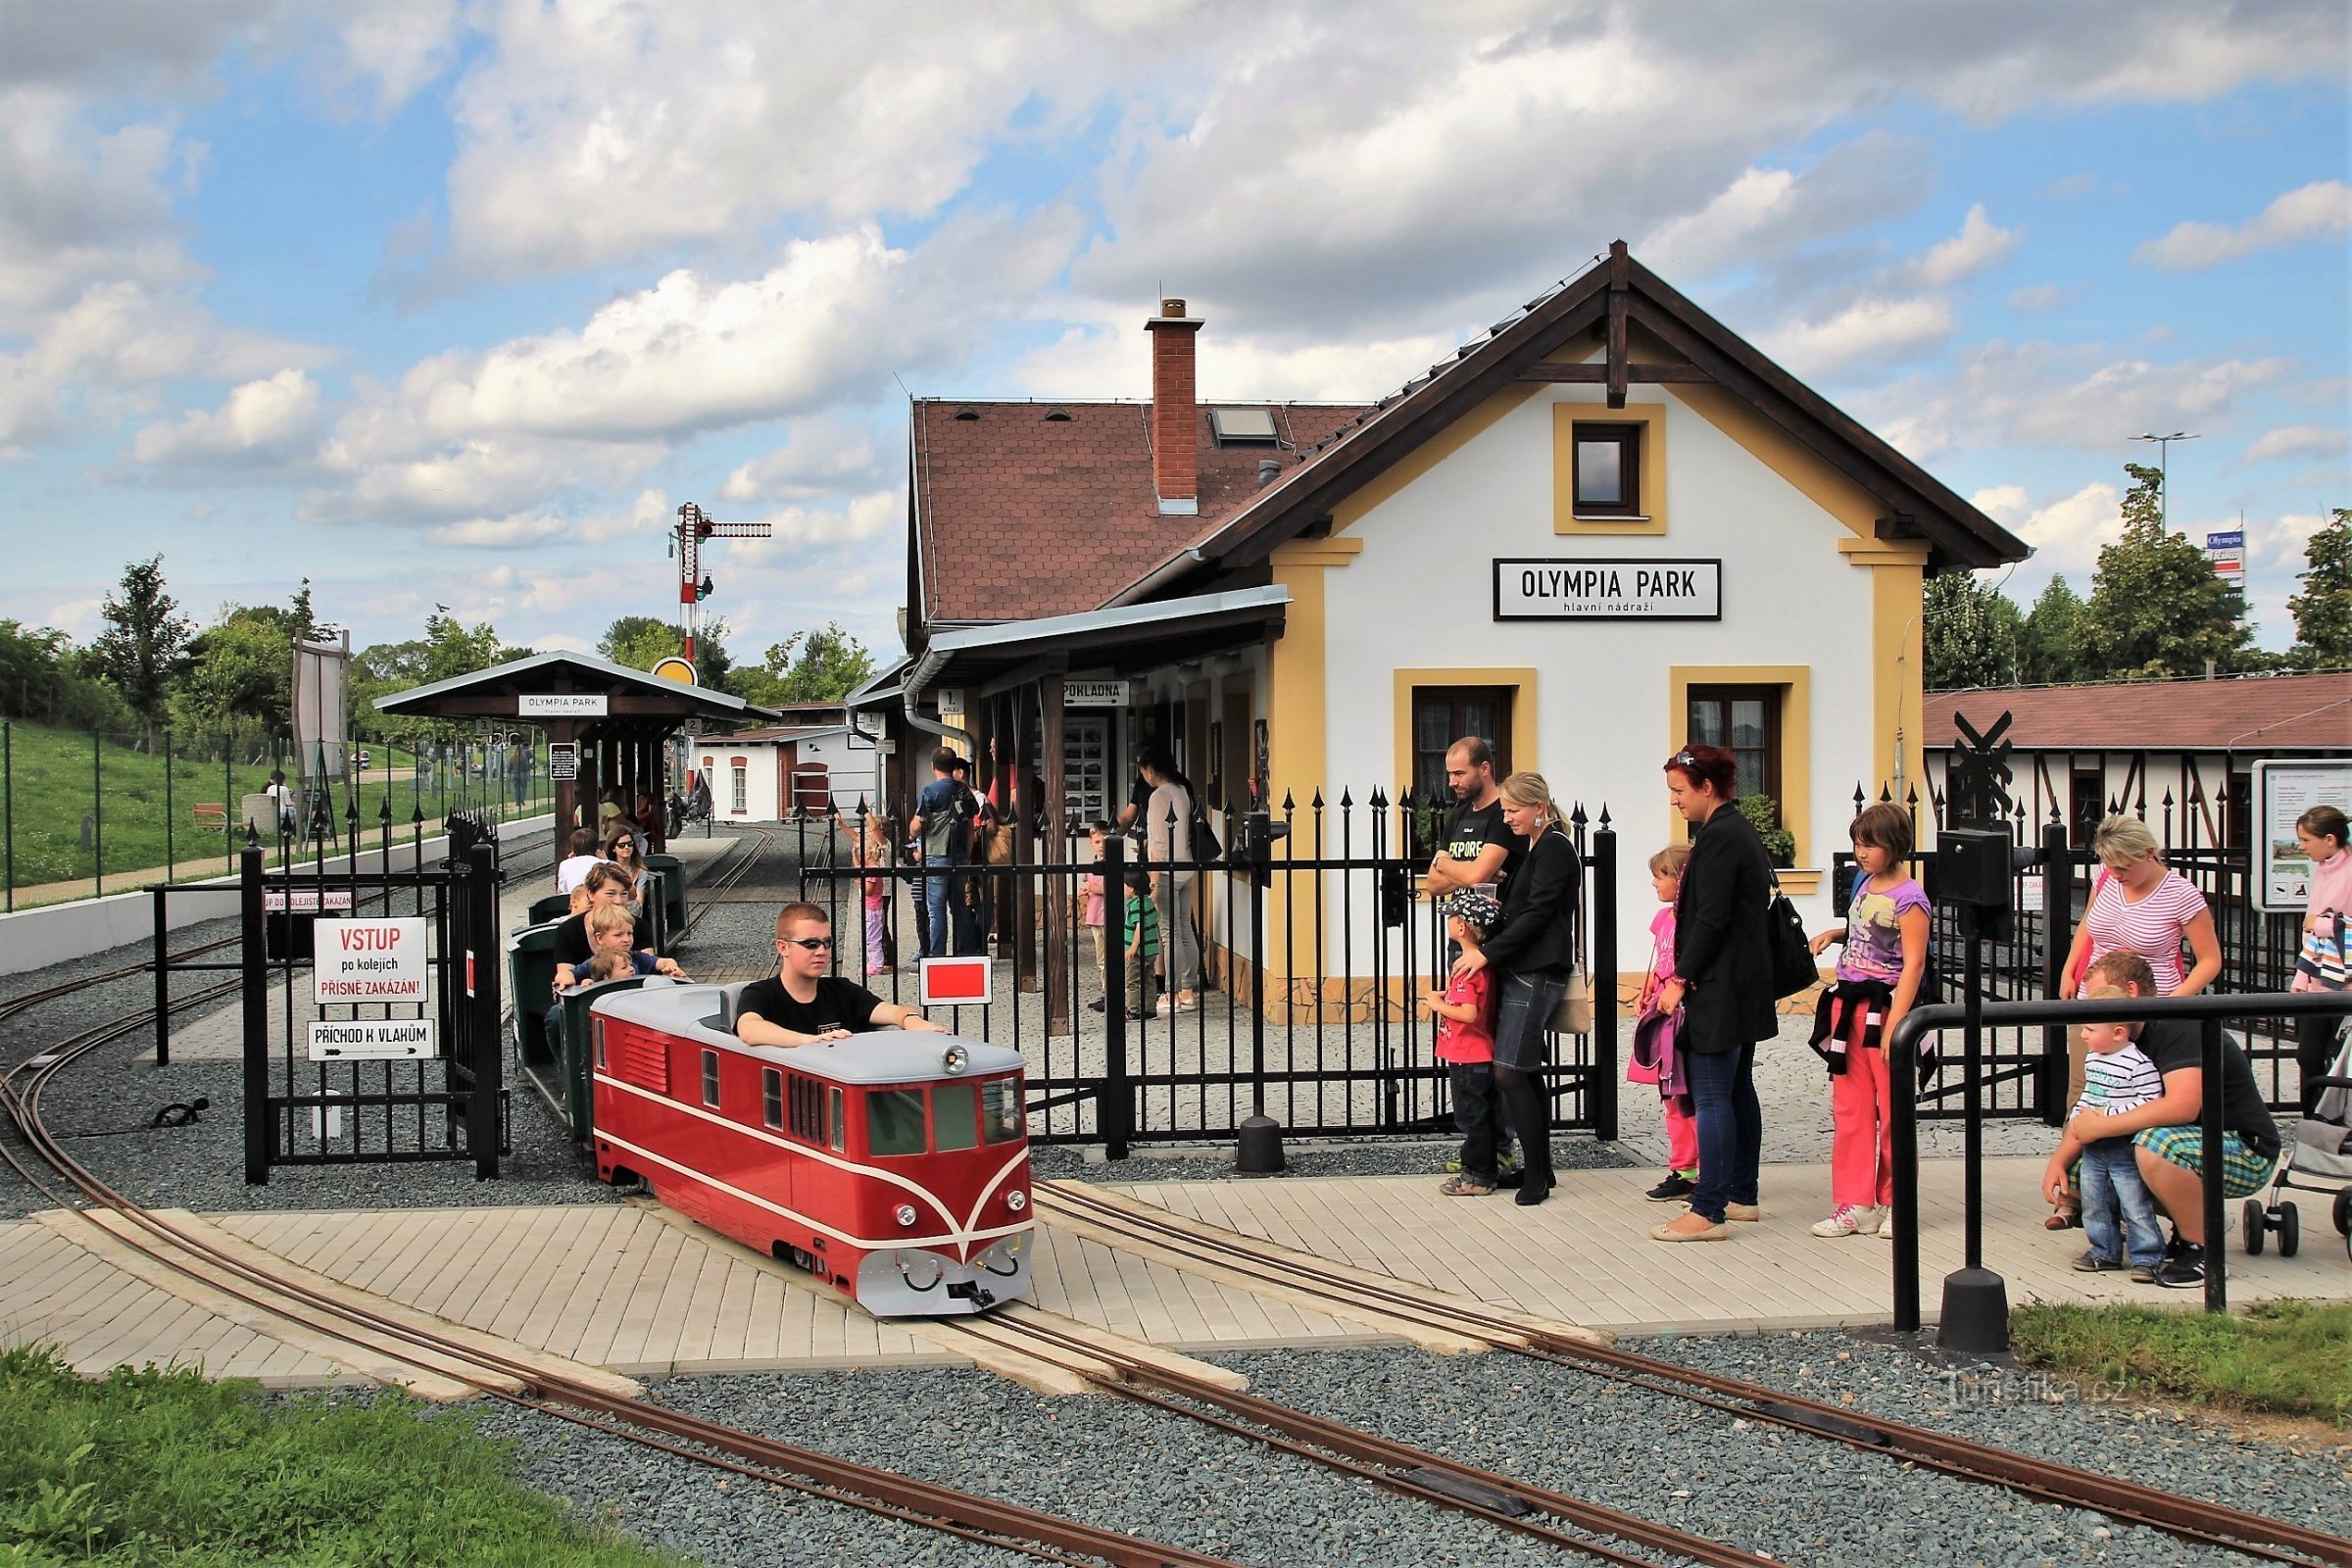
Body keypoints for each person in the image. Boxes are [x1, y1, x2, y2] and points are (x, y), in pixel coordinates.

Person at [2040, 950, 2281, 1288]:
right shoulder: (2115, 1045)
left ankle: (2202, 1250)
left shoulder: (2177, 1025)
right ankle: (2177, 1226)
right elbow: (2093, 1102)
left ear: (2131, 992)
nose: (2088, 1005)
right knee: (2087, 1165)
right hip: (2194, 1142)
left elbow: (2181, 1107)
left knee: (2153, 1144)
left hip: (2242, 1146)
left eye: (2097, 996)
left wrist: (2101, 1127)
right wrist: (2059, 1161)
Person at [2047, 813, 2221, 1225]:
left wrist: (2173, 1002)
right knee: (2085, 1089)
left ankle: (2142, 1196)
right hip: (2097, 999)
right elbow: (2088, 925)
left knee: (2140, 1090)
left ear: (2148, 853)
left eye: (2124, 866)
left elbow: (2209, 960)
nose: (2118, 874)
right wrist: (2070, 969)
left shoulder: (2181, 894)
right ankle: (2075, 1195)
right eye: (2111, 866)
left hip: (2148, 1004)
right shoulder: (2107, 880)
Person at [1652, 743, 1774, 1243]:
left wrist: (1680, 979)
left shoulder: (1721, 837)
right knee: (1736, 1089)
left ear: (1707, 786)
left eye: (1680, 791)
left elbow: (1712, 917)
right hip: (1741, 982)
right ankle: (1741, 1193)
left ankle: (1709, 1210)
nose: (1676, 801)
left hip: (1719, 986)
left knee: (1711, 1096)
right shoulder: (1736, 831)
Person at [1449, 771, 1578, 1207]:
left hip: (1536, 971)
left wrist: (1488, 953)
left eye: (1512, 810)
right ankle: (1542, 1168)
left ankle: (1537, 1178)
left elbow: (1540, 914)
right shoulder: (1539, 847)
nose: (1506, 818)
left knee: (1509, 1071)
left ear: (1538, 806)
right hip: (1523, 967)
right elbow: (1526, 909)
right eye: (1503, 810)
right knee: (1523, 1071)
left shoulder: (1556, 848)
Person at [1804, 803, 1932, 1242]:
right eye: (1857, 844)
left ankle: (1898, 1202)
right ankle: (1856, 1203)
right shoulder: (1864, 883)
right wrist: (1834, 933)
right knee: (1852, 1109)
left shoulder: (1911, 898)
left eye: (1870, 845)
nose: (1861, 853)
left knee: (1893, 1111)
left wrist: (1898, 1024)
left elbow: (1913, 963)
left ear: (1893, 846)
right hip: (1849, 1006)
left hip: (1886, 1010)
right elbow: (1866, 930)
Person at [1423, 736, 1522, 1179]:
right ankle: (1483, 1145)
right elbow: (1433, 883)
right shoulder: (1460, 815)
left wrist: (1456, 868)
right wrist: (1463, 870)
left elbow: (1477, 874)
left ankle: (1499, 1148)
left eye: (1460, 773)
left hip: (1494, 944)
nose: (1452, 782)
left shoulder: (1504, 816)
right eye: (1449, 773)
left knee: (1488, 1046)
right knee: (1466, 1045)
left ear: (1485, 769)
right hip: (1459, 940)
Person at [2062, 985, 2168, 1276]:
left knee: (2133, 1202)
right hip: (2094, 1146)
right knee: (2094, 1201)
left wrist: (2107, 1116)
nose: (2083, 1035)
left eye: (2090, 1029)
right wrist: (2079, 1116)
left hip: (2122, 1144)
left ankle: (2147, 1256)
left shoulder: (2138, 1063)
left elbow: (2150, 1101)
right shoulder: (2094, 1058)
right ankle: (2104, 1250)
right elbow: (2090, 1091)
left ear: (2119, 1032)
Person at [736, 904, 945, 1046]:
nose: (821, 951)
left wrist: (911, 1019)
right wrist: (808, 1041)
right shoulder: (760, 993)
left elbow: (895, 1012)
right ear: (783, 947)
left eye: (827, 943)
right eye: (810, 944)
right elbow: (749, 1028)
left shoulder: (842, 990)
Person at [1633, 843, 1698, 1203]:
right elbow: (1656, 957)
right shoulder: (1662, 920)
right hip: (1660, 1009)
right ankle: (1682, 1167)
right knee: (1669, 1095)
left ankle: (1700, 1167)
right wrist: (1646, 992)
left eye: (1660, 877)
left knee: (1688, 1094)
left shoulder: (1692, 920)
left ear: (1680, 879)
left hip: (1681, 1013)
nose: (1655, 884)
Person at [1429, 891, 1504, 1197]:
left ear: (1462, 927)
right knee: (1481, 1116)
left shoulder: (1463, 967)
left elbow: (1468, 1013)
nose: (1449, 921)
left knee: (1472, 1119)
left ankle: (1477, 1176)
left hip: (1467, 1054)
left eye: (1452, 916)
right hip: (1479, 1053)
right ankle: (1484, 1170)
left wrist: (1437, 1003)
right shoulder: (1484, 965)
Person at [2289, 805, 2351, 1116]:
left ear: (2329, 839)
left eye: (2305, 839)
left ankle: (2333, 1120)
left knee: (2340, 1058)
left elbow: (2322, 923)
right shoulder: (2323, 869)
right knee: (2308, 1056)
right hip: (2318, 980)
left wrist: (2320, 924)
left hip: (2344, 985)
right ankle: (2312, 1118)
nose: (2301, 846)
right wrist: (2301, 976)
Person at [1139, 748, 1201, 1015]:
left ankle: (1171, 993)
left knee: (1169, 932)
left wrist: (1153, 881)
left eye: (1143, 771)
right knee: (1185, 929)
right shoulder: (1182, 790)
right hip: (1187, 866)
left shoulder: (1159, 796)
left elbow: (1157, 843)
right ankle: (1188, 989)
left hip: (1166, 870)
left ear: (1150, 770)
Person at [552, 864, 681, 991]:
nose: (618, 901)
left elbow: (647, 970)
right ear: (590, 894)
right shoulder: (568, 931)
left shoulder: (638, 926)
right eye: (610, 893)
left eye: (623, 894)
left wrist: (669, 967)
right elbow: (567, 976)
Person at [911, 748, 978, 958]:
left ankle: (937, 954)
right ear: (954, 766)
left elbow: (916, 827)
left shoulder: (930, 792)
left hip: (936, 855)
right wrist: (966, 854)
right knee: (960, 908)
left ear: (933, 766)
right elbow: (970, 825)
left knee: (936, 909)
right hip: (959, 856)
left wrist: (913, 830)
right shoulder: (964, 791)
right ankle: (967, 951)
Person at [1120, 867, 1161, 1021]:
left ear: (1131, 888)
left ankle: (1133, 1011)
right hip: (1151, 950)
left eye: (1124, 885)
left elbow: (1139, 927)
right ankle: (1150, 1010)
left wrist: (1132, 947)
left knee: (1132, 982)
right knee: (1150, 980)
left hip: (1138, 952)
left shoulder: (1136, 905)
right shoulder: (1148, 902)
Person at [857, 813, 895, 976]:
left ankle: (886, 960)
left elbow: (873, 828)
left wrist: (865, 812)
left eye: (871, 830)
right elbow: (856, 836)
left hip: (882, 891)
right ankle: (882, 959)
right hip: (878, 892)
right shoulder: (875, 845)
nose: (869, 832)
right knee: (879, 926)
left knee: (880, 927)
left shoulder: (884, 844)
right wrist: (842, 824)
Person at [1083, 820, 1112, 1013]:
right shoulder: (1090, 866)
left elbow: (1120, 889)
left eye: (1104, 841)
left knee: (1111, 956)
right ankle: (1105, 991)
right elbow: (1088, 886)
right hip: (1095, 916)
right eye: (1097, 841)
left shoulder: (1114, 864)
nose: (1101, 845)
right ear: (1091, 843)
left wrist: (1099, 889)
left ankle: (1111, 992)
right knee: (1101, 958)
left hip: (1109, 916)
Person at [602, 827, 649, 895]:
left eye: (630, 844)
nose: (627, 847)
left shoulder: (640, 871)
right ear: (613, 848)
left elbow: (639, 901)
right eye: (621, 845)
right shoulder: (606, 868)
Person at [556, 827, 602, 894]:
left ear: (573, 849)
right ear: (597, 847)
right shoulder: (606, 864)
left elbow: (560, 891)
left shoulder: (564, 864)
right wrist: (606, 860)